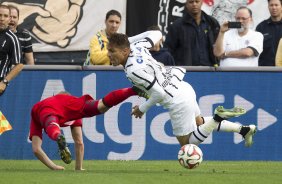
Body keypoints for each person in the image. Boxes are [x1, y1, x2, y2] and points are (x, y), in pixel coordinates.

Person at [107, 30, 257, 148]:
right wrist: (129, 40)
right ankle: (243, 130)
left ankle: (218, 117)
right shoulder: (137, 46)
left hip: (177, 101)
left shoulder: (134, 70)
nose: (109, 54)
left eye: (112, 51)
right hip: (183, 87)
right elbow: (157, 33)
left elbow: (158, 93)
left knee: (187, 144)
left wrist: (142, 108)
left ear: (124, 51)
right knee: (199, 123)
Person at [29, 87, 148, 170]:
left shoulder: (42, 105)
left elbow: (36, 149)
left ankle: (57, 135)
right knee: (102, 105)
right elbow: (79, 143)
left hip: (43, 110)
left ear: (55, 96)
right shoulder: (71, 102)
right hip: (74, 105)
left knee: (51, 122)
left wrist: (53, 167)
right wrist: (78, 168)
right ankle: (131, 90)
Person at [164, 0, 220, 66]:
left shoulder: (212, 23)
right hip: (187, 71)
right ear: (186, 4)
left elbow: (219, 46)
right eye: (191, 2)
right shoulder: (177, 26)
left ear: (201, 3)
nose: (194, 4)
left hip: (210, 70)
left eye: (197, 1)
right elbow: (169, 50)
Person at [0, 5, 23, 96]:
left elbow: (19, 65)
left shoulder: (12, 38)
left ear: (9, 19)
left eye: (5, 16)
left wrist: (4, 82)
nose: (2, 18)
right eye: (0, 15)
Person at [256, 0, 282, 66]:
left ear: (281, 6)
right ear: (268, 7)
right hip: (266, 70)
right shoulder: (261, 27)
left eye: (276, 5)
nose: (274, 7)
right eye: (271, 5)